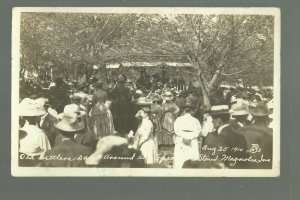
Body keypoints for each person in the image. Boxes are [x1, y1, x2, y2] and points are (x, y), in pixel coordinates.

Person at [237, 101, 273, 169]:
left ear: (253, 117)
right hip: (264, 169)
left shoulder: (241, 130)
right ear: (266, 118)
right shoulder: (271, 133)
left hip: (243, 168)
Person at [173, 102, 201, 168]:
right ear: (191, 111)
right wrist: (190, 137)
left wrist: (184, 136)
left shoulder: (179, 119)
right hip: (192, 140)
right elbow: (198, 131)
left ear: (184, 110)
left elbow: (176, 130)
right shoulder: (195, 120)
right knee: (191, 157)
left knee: (180, 159)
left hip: (181, 139)